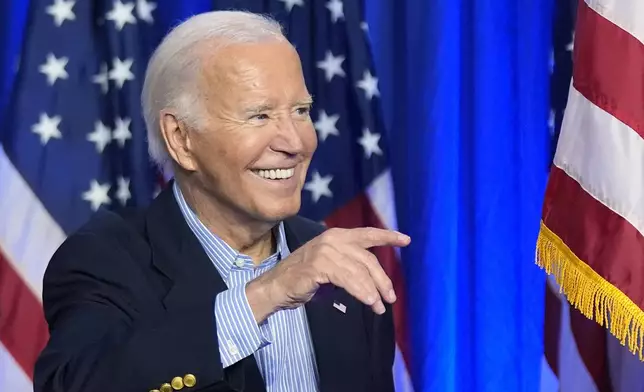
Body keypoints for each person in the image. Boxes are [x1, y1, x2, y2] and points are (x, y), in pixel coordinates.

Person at [33, 10, 410, 392]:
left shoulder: (340, 267)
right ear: (181, 139)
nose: (295, 143)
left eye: (301, 111)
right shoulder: (105, 261)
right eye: (259, 116)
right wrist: (264, 294)